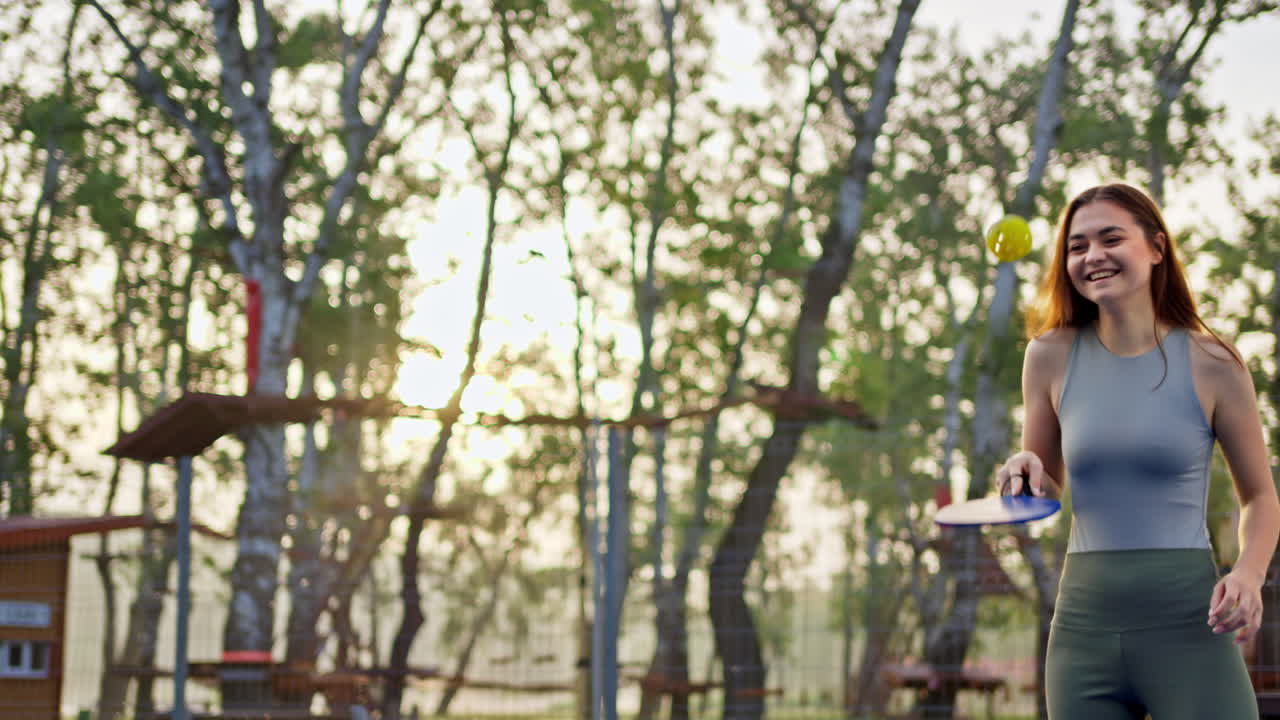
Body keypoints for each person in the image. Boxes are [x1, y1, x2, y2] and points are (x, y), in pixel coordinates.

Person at [995, 182, 1280, 719]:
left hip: (1191, 625)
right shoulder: (1048, 356)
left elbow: (1261, 497)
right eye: (1077, 247)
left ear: (1155, 247)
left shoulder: (1214, 361)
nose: (1093, 256)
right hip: (1084, 630)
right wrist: (1022, 472)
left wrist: (1247, 573)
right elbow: (1042, 492)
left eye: (1110, 239)